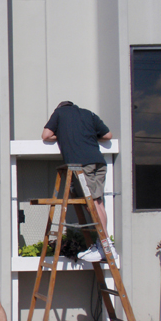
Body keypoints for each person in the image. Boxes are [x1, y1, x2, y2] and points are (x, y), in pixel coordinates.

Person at [42, 101, 117, 262]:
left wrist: (61, 134)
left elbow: (46, 135)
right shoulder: (88, 113)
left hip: (82, 165)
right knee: (98, 203)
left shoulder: (59, 114)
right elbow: (108, 135)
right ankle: (104, 244)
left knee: (92, 205)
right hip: (98, 162)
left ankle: (105, 246)